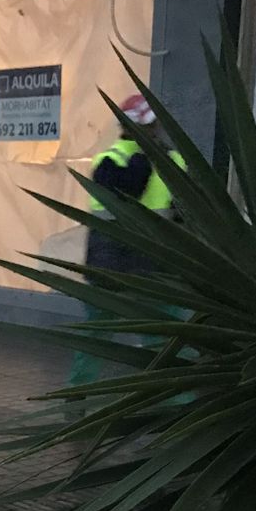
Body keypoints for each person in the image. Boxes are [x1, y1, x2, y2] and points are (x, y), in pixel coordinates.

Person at [69, 92, 187, 387]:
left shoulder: (113, 160)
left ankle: (77, 394)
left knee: (98, 337)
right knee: (164, 337)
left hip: (119, 265)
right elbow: (134, 191)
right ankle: (176, 397)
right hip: (144, 265)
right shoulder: (129, 161)